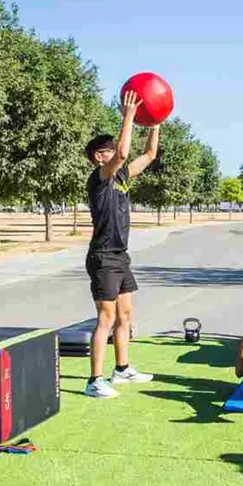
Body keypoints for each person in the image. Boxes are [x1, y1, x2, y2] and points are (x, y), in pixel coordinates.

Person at [82, 94, 162, 399]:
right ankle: (94, 381)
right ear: (98, 157)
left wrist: (155, 123)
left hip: (120, 255)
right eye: (108, 150)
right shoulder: (100, 178)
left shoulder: (123, 176)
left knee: (125, 316)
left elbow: (150, 153)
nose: (115, 151)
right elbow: (124, 151)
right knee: (106, 317)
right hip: (102, 256)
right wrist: (128, 116)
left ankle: (122, 368)